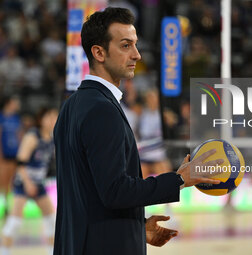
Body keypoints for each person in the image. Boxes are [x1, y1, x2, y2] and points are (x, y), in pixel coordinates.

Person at [53, 7, 222, 255]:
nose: (137, 55)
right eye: (125, 46)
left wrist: (135, 227)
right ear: (99, 52)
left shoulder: (71, 106)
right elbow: (115, 191)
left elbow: (88, 194)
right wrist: (179, 179)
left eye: (135, 45)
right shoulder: (102, 109)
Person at [1, 107, 58, 255]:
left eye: (55, 116)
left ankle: (51, 251)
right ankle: (4, 251)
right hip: (23, 182)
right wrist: (27, 183)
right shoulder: (33, 136)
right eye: (49, 116)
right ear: (41, 119)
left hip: (38, 183)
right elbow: (20, 162)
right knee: (14, 222)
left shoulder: (52, 137)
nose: (52, 120)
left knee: (52, 220)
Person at [0, 95, 22, 216]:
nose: (17, 104)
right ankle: (5, 206)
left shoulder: (16, 118)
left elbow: (19, 136)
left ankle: (12, 206)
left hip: (15, 154)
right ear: (9, 103)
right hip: (4, 156)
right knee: (3, 182)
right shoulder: (1, 117)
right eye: (15, 102)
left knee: (13, 182)